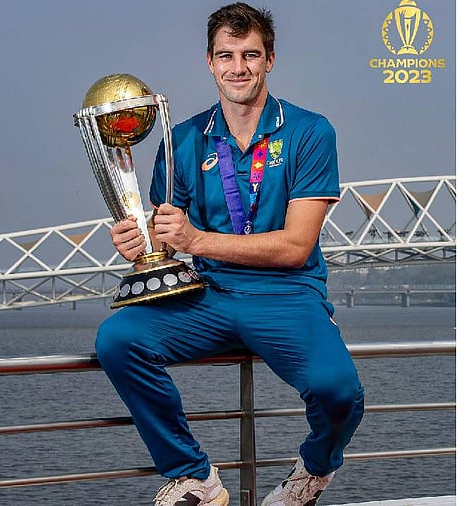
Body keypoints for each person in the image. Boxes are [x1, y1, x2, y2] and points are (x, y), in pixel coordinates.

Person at [94, 3, 365, 505]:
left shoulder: (309, 131)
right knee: (118, 339)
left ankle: (313, 470)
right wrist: (139, 246)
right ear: (209, 62)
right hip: (210, 295)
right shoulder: (183, 139)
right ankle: (193, 476)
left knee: (338, 390)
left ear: (270, 60)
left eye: (250, 55)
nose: (238, 67)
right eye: (226, 55)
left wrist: (196, 240)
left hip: (287, 294)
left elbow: (295, 246)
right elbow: (165, 243)